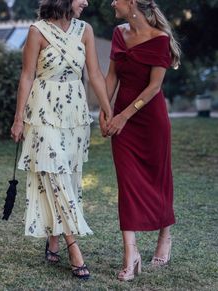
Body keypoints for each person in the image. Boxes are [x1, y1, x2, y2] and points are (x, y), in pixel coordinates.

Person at [11, 0, 112, 280]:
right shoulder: (37, 31)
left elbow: (94, 75)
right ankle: (73, 246)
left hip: (74, 114)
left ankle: (53, 237)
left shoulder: (85, 30)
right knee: (53, 173)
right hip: (42, 111)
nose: (86, 2)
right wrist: (19, 118)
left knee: (67, 177)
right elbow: (27, 75)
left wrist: (107, 110)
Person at [99, 0, 181, 281]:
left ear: (131, 2)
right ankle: (130, 254)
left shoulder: (160, 40)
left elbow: (154, 86)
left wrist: (123, 116)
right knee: (127, 181)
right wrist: (105, 109)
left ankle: (165, 236)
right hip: (121, 121)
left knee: (159, 178)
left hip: (149, 120)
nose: (112, 3)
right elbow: (111, 76)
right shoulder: (119, 34)